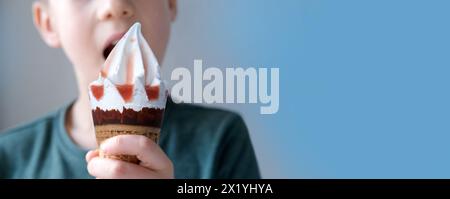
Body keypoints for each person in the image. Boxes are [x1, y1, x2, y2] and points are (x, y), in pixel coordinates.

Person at [0, 0, 260, 179]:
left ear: (170, 2)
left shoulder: (220, 139)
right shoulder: (9, 157)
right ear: (48, 22)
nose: (115, 5)